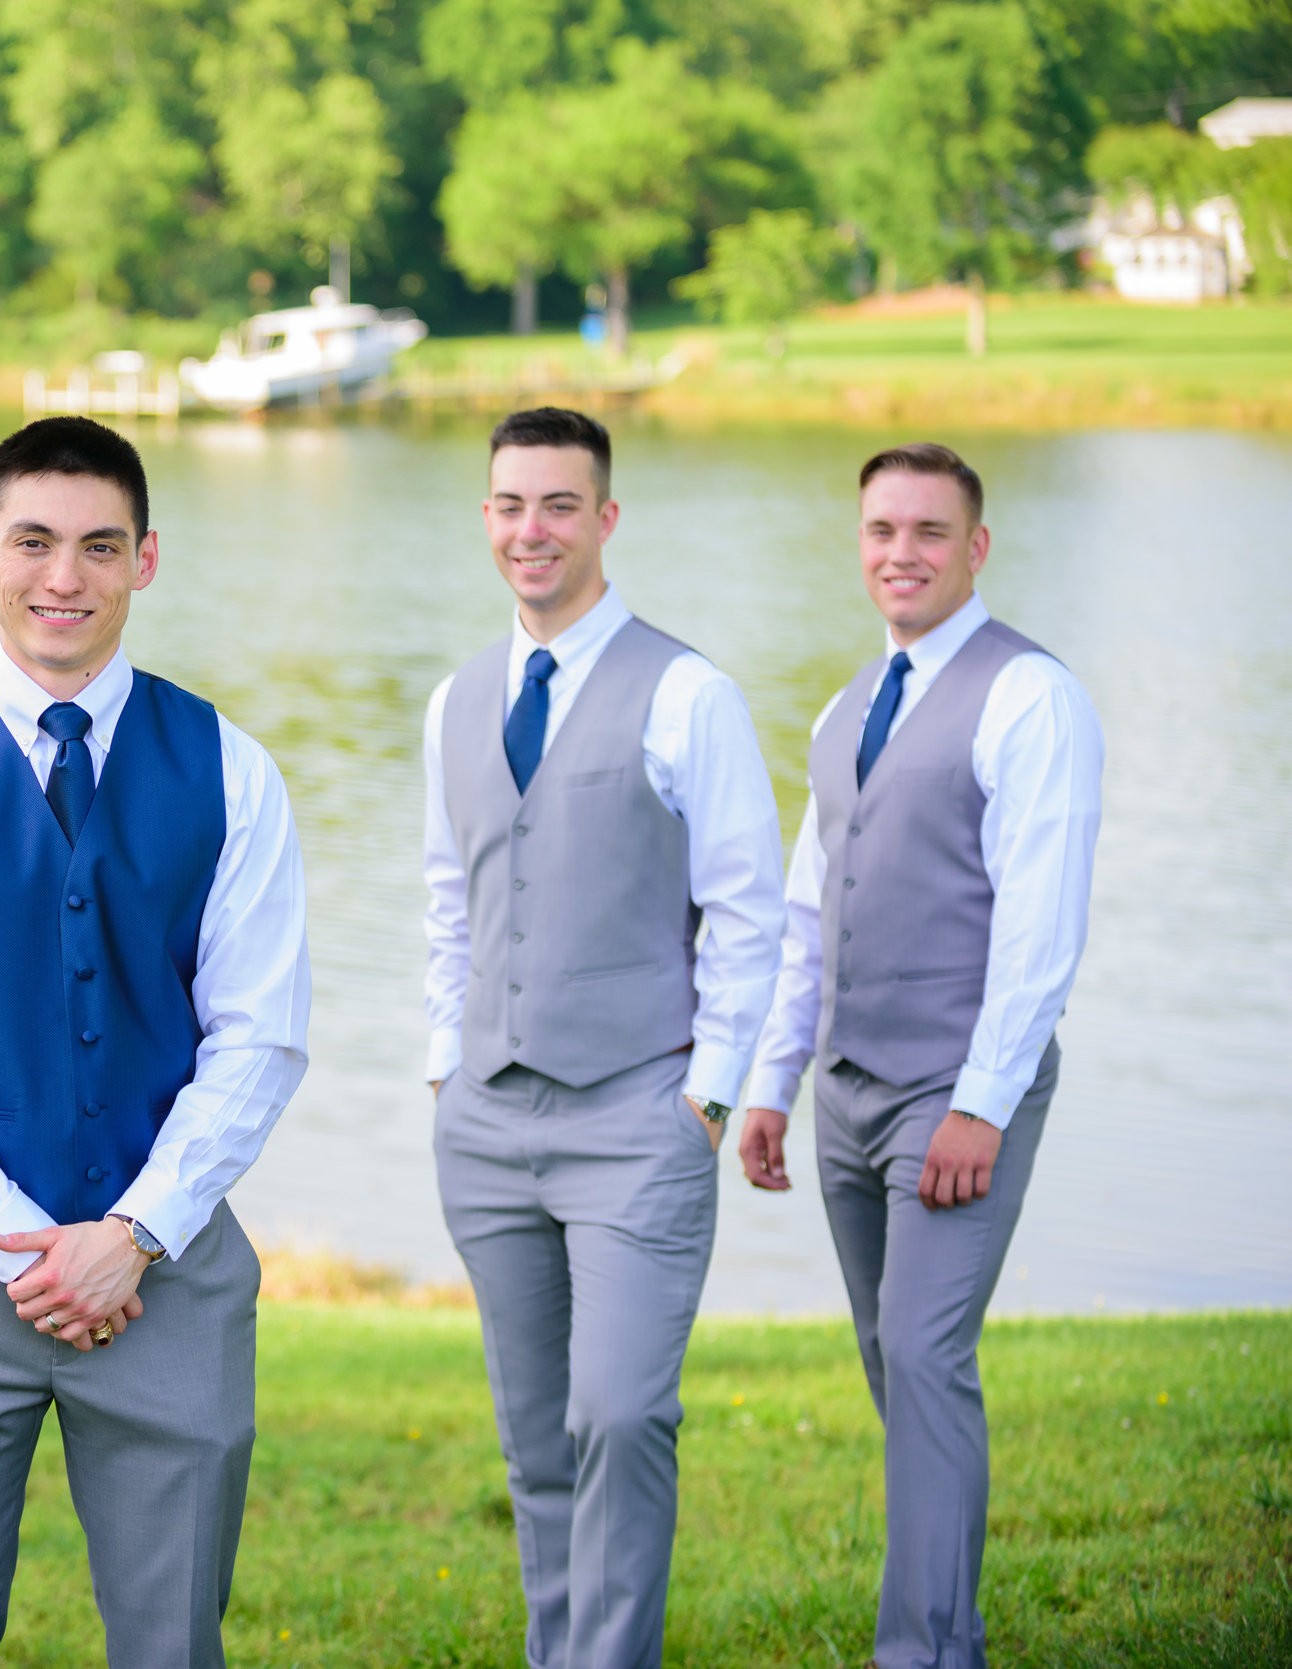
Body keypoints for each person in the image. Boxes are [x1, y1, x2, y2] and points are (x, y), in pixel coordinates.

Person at [0, 416, 310, 1669]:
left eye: (99, 546)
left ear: (145, 559)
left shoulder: (232, 770)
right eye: (32, 542)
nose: (62, 578)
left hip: (170, 1279)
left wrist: (133, 1234)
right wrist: (25, 1247)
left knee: (172, 1642)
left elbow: (257, 1038)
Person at [422, 407, 786, 1669]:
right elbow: (444, 893)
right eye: (511, 504)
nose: (533, 529)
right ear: (486, 518)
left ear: (606, 519)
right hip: (485, 1119)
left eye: (560, 505)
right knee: (534, 1436)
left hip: (636, 1117)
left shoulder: (687, 692)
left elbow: (752, 910)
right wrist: (437, 1062)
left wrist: (707, 1096)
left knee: (618, 1414)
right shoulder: (456, 698)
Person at [738, 444, 1102, 1669]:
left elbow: (1041, 925)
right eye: (881, 530)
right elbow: (805, 912)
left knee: (925, 1351)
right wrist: (772, 1082)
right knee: (895, 1362)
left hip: (953, 1091)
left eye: (929, 533)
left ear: (976, 548)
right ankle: (952, 1628)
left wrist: (983, 1104)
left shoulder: (1029, 697)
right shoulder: (846, 708)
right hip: (844, 1092)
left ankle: (925, 1649)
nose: (901, 553)